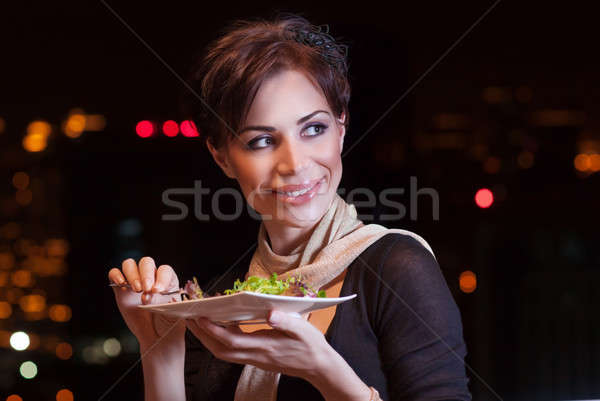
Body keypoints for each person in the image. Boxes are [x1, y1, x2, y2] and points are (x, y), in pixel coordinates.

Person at [108, 12, 472, 401]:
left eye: (314, 128)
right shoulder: (219, 301)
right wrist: (159, 346)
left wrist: (326, 372)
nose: (295, 163)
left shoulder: (398, 269)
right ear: (222, 157)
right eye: (262, 141)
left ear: (341, 127)